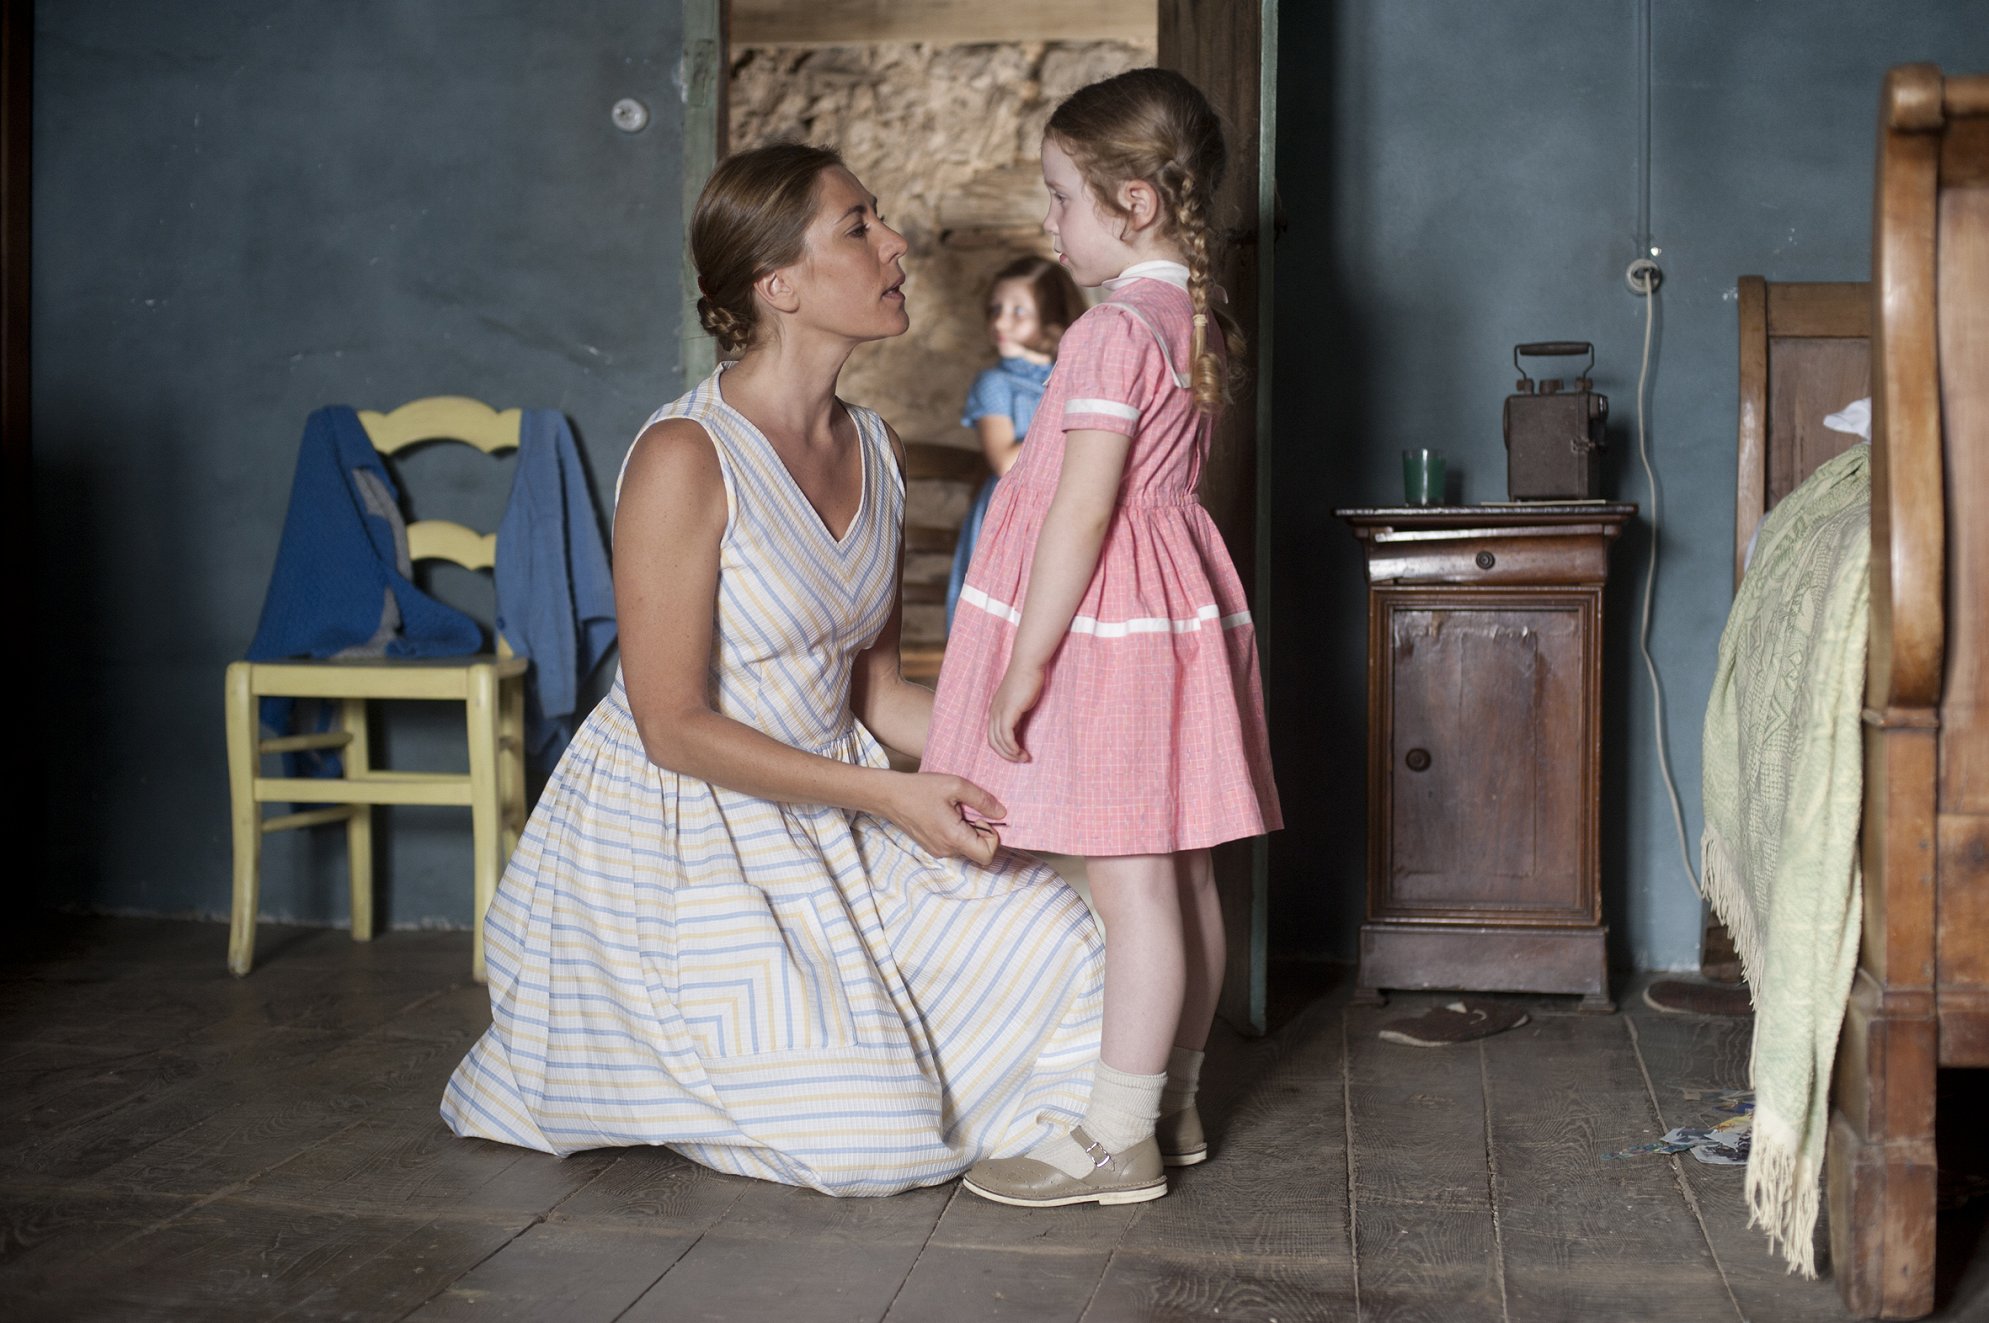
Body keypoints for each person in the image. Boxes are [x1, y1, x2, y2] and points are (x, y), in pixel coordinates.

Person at [440, 142, 1104, 1198]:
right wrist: (893, 796)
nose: (896, 244)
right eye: (859, 227)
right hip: (682, 832)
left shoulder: (876, 449)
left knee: (1066, 939)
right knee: (874, 1142)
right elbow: (670, 725)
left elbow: (875, 694)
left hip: (833, 813)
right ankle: (654, 1065)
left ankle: (828, 1057)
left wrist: (1044, 753)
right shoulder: (684, 456)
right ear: (777, 284)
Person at [923, 69, 1282, 1208]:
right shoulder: (1193, 315)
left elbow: (1081, 508)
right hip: (1174, 607)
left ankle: (1115, 1136)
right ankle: (1173, 1107)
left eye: (1060, 196)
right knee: (1184, 871)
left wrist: (1024, 663)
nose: (1048, 222)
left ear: (1135, 202)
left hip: (1114, 620)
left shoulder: (1110, 331)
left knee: (1132, 882)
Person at [944, 256, 1084, 629]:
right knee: (1004, 620)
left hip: (1064, 507)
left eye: (1018, 311)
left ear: (1054, 320)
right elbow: (1006, 462)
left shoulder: (1075, 375)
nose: (1000, 323)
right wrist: (1073, 417)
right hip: (1012, 514)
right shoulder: (995, 382)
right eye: (995, 310)